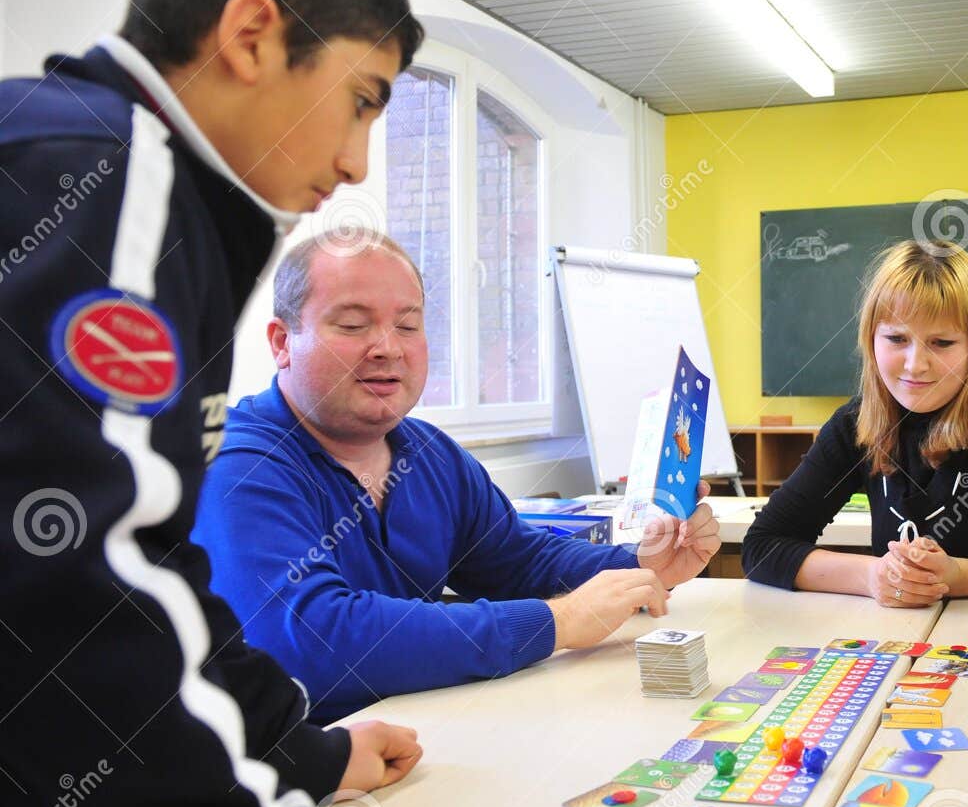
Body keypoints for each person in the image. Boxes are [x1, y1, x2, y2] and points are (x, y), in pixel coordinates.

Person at [0, 0, 437, 807]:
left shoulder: (120, 180)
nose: (358, 162)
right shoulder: (115, 176)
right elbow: (73, 590)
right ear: (251, 35)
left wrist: (305, 752)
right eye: (361, 100)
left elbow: (149, 560)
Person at [192, 233, 720, 722]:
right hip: (289, 776)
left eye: (407, 325)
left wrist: (641, 566)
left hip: (420, 734)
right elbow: (315, 637)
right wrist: (555, 623)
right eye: (352, 325)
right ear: (282, 342)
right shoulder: (239, 465)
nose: (388, 348)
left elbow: (518, 560)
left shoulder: (427, 452)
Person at [742, 239, 968, 606]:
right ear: (870, 339)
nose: (915, 364)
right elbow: (762, 546)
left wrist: (958, 578)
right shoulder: (854, 425)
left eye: (942, 343)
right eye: (896, 338)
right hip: (903, 643)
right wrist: (872, 577)